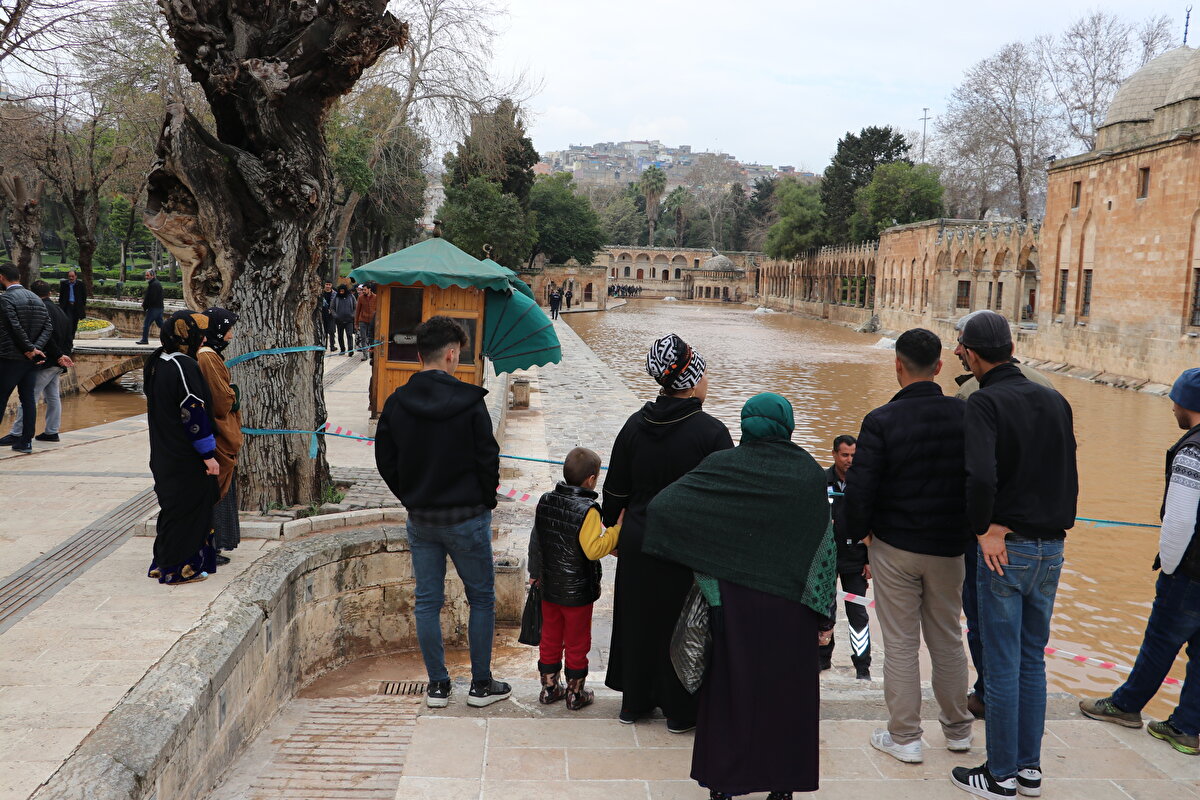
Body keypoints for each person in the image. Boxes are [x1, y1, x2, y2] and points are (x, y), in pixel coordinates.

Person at [643, 393, 836, 800]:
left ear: (746, 425)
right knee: (788, 695)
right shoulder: (809, 474)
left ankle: (725, 784)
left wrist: (708, 563)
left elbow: (664, 507)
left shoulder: (722, 465)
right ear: (788, 424)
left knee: (732, 690)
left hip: (732, 603)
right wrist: (824, 616)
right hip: (792, 607)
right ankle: (782, 784)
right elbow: (824, 548)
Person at [950, 310, 1077, 800]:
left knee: (1002, 665)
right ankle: (1029, 770)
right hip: (1051, 548)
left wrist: (984, 530)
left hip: (1007, 550)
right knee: (1032, 661)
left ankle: (999, 775)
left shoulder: (984, 402)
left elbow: (980, 477)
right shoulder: (1055, 399)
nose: (959, 354)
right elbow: (1069, 472)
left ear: (975, 354)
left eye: (962, 348)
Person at [839, 328, 974, 764]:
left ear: (897, 365)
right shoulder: (965, 415)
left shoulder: (880, 421)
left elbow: (860, 489)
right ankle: (957, 731)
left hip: (895, 546)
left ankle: (905, 736)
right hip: (950, 547)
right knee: (949, 638)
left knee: (900, 643)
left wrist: (862, 535)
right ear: (939, 366)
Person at [374, 315, 511, 709]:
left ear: (420, 354)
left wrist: (410, 496)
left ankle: (437, 686)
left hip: (423, 518)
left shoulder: (397, 403)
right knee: (481, 598)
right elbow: (488, 460)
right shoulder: (470, 402)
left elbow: (386, 460)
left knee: (427, 601)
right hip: (467, 515)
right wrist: (485, 500)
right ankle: (481, 685)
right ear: (452, 355)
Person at [602, 333, 733, 732]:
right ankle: (680, 711)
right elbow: (726, 499)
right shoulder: (711, 433)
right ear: (692, 381)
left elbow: (615, 492)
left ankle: (634, 703)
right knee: (684, 626)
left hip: (640, 539)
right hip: (687, 547)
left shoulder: (633, 426)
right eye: (704, 373)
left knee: (638, 619)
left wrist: (614, 529)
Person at [1079, 367, 1200, 755]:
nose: (1172, 406)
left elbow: (1180, 518)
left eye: (1175, 399)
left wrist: (1169, 566)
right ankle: (1185, 728)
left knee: (1160, 639)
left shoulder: (1193, 450)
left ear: (1189, 403)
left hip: (1191, 571)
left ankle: (1126, 705)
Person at [527, 447, 622, 711]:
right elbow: (593, 549)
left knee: (550, 636)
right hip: (576, 592)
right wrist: (616, 532)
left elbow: (536, 541)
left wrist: (535, 575)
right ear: (591, 479)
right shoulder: (588, 510)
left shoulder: (546, 500)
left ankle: (548, 688)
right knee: (578, 641)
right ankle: (575, 692)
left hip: (549, 586)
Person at [144, 310, 221, 585]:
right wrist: (208, 454)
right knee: (191, 508)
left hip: (163, 451)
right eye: (199, 333)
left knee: (173, 508)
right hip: (184, 453)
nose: (203, 339)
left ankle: (161, 563)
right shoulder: (184, 366)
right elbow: (193, 413)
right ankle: (179, 569)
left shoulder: (157, 361)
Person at [819, 433, 872, 679]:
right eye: (845, 455)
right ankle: (822, 660)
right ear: (834, 455)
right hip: (826, 558)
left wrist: (871, 560)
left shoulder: (865, 484)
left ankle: (862, 667)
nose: (850, 460)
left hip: (855, 559)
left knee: (858, 615)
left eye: (853, 455)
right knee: (823, 613)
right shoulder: (820, 481)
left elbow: (875, 524)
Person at [196, 308, 243, 564]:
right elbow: (221, 401)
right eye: (227, 330)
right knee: (217, 492)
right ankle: (210, 547)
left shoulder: (208, 355)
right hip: (219, 436)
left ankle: (215, 546)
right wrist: (234, 395)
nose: (230, 336)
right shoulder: (207, 356)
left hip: (223, 436)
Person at [1, 280, 74, 445]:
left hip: (47, 361)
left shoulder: (43, 308)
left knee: (29, 397)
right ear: (49, 292)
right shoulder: (60, 311)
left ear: (33, 293)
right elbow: (68, 336)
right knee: (53, 396)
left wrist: (56, 355)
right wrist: (63, 356)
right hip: (57, 361)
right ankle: (52, 431)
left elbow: (48, 337)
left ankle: (17, 433)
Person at [0, 264, 51, 454]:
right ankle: (26, 442)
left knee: (1, 398)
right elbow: (48, 326)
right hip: (30, 360)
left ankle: (24, 441)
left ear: (2, 277)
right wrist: (35, 349)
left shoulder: (6, 299)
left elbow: (13, 326)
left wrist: (29, 348)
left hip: (10, 357)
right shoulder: (36, 299)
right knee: (28, 399)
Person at [136, 270, 165, 344]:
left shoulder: (154, 285)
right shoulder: (155, 283)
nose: (146, 277)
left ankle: (144, 340)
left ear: (153, 276)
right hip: (159, 308)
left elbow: (151, 298)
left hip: (154, 308)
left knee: (146, 324)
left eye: (148, 275)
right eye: (146, 275)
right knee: (161, 325)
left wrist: (145, 305)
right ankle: (171, 338)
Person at [354, 282, 377, 361]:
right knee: (363, 338)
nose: (363, 291)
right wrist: (356, 323)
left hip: (372, 321)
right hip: (363, 320)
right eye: (362, 289)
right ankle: (365, 354)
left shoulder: (376, 297)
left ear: (369, 289)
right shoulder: (360, 298)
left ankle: (372, 353)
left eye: (364, 289)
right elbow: (357, 310)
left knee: (371, 338)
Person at [330, 283, 356, 353]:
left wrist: (353, 315)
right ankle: (342, 349)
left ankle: (350, 350)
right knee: (340, 336)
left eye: (342, 291)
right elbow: (332, 308)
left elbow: (355, 307)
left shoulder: (351, 297)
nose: (341, 292)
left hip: (349, 320)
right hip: (339, 320)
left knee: (349, 335)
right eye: (340, 291)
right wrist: (335, 315)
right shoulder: (336, 297)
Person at [319, 280, 337, 351]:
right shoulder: (320, 293)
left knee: (332, 331)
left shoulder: (335, 294)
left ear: (331, 285)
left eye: (329, 284)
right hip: (322, 314)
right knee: (323, 331)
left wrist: (332, 310)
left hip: (331, 314)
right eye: (327, 284)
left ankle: (332, 346)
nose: (328, 286)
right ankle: (324, 345)